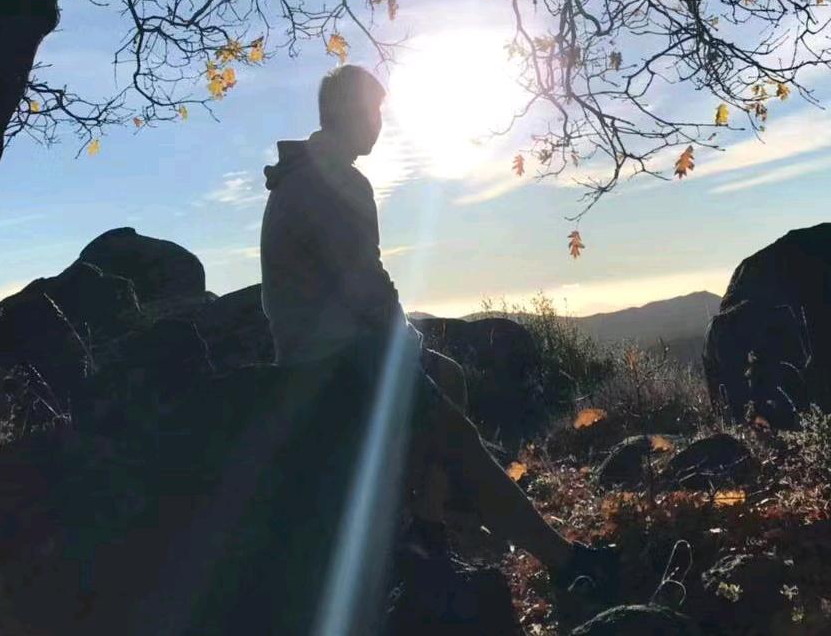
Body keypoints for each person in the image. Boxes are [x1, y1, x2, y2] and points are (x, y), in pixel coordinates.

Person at [259, 64, 616, 603]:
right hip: (334, 360)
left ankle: (427, 531)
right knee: (458, 437)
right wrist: (405, 345)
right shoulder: (335, 182)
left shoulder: (303, 174)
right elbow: (367, 286)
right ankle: (564, 562)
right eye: (374, 113)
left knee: (446, 376)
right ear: (350, 115)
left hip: (313, 350)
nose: (380, 125)